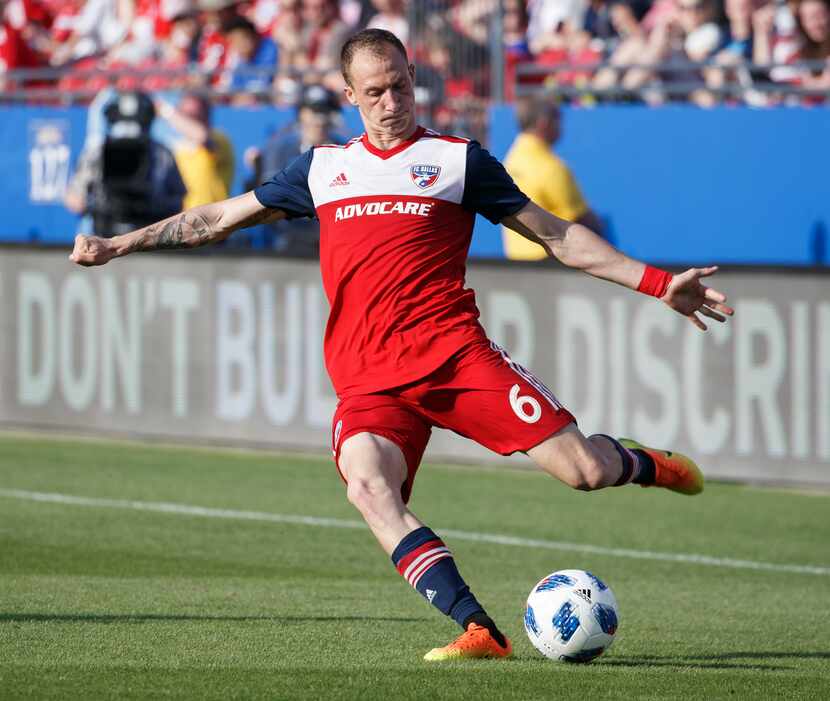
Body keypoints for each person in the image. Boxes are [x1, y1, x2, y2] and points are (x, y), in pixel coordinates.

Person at [70, 28, 734, 661]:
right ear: (349, 96)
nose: (391, 103)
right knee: (368, 485)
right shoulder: (323, 169)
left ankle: (648, 463)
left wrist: (655, 283)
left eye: (399, 86)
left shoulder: (455, 162)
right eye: (375, 92)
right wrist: (118, 242)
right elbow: (215, 217)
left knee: (583, 471)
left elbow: (557, 235)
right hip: (367, 379)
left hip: (454, 360)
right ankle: (478, 627)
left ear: (415, 79)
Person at [65, 90, 186, 236]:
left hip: (149, 237)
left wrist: (154, 205)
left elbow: (179, 199)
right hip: (103, 237)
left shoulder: (161, 154)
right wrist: (97, 206)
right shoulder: (97, 152)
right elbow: (74, 199)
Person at [502, 96, 603, 260]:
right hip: (552, 264)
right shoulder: (552, 167)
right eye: (558, 120)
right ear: (544, 124)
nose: (561, 126)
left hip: (517, 263)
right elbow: (582, 221)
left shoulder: (511, 159)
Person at [247, 83, 345, 253]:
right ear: (301, 114)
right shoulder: (279, 150)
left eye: (326, 112)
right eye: (314, 111)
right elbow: (270, 201)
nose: (320, 119)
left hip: (333, 239)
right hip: (287, 239)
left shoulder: (346, 152)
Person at [155, 91, 235, 210]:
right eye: (184, 114)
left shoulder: (219, 139)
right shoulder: (178, 148)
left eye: (193, 115)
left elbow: (201, 136)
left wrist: (166, 111)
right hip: (183, 219)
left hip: (215, 218)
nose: (186, 120)